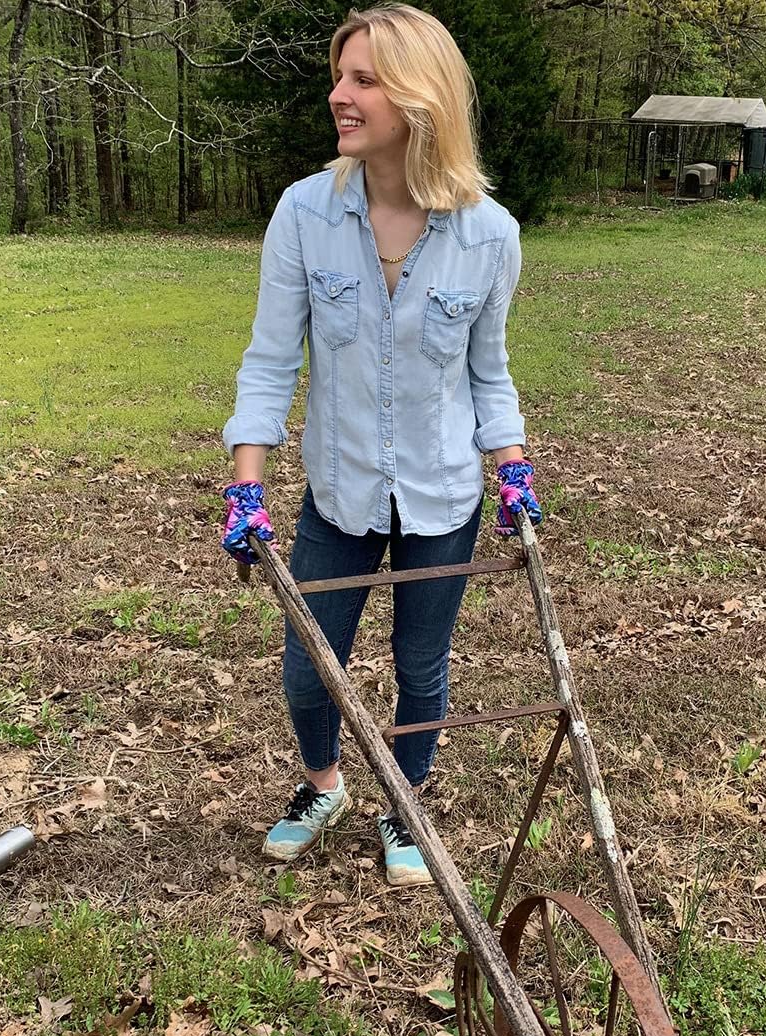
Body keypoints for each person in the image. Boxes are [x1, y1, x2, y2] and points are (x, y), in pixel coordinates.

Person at [219, 3, 542, 888]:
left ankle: (406, 800)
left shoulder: (490, 234)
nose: (339, 96)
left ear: (419, 97)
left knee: (420, 668)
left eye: (363, 80)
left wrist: (511, 471)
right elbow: (270, 360)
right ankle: (323, 787)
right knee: (305, 672)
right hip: (339, 491)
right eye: (341, 76)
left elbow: (490, 374)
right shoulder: (304, 214)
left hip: (443, 496)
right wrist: (247, 482)